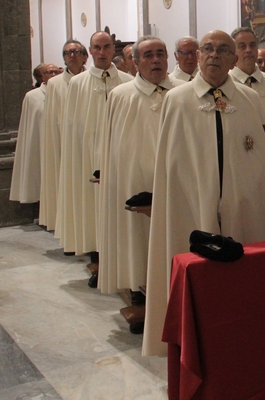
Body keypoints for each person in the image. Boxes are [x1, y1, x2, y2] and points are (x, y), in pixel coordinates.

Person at [143, 30, 265, 357]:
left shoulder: (249, 100)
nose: (214, 55)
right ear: (197, 56)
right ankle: (195, 336)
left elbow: (259, 162)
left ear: (234, 59)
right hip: (190, 204)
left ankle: (243, 331)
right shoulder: (176, 100)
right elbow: (172, 165)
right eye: (208, 49)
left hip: (242, 208)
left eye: (223, 50)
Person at [98, 37, 181, 302]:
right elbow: (112, 146)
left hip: (177, 182)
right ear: (135, 61)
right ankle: (138, 288)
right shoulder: (120, 96)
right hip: (134, 182)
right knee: (137, 239)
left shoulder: (184, 92)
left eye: (161, 54)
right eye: (148, 55)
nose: (155, 60)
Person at [56, 32, 133, 262]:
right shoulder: (78, 84)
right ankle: (96, 257)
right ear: (90, 51)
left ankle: (120, 256)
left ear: (113, 50)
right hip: (88, 156)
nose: (101, 52)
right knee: (91, 207)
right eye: (96, 48)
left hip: (120, 155)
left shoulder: (128, 81)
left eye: (106, 47)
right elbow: (71, 126)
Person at [39, 40, 88, 231]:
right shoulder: (55, 84)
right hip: (63, 140)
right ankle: (67, 228)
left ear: (85, 56)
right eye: (68, 52)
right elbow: (52, 117)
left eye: (76, 52)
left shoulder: (92, 79)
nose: (72, 55)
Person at [10, 63, 61, 205]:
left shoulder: (67, 91)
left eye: (57, 71)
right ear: (40, 77)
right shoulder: (32, 97)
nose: (54, 75)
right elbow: (30, 125)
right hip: (41, 143)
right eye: (50, 72)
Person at [229, 27, 265, 120]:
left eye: (252, 45)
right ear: (232, 51)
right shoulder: (225, 83)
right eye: (242, 46)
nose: (248, 50)